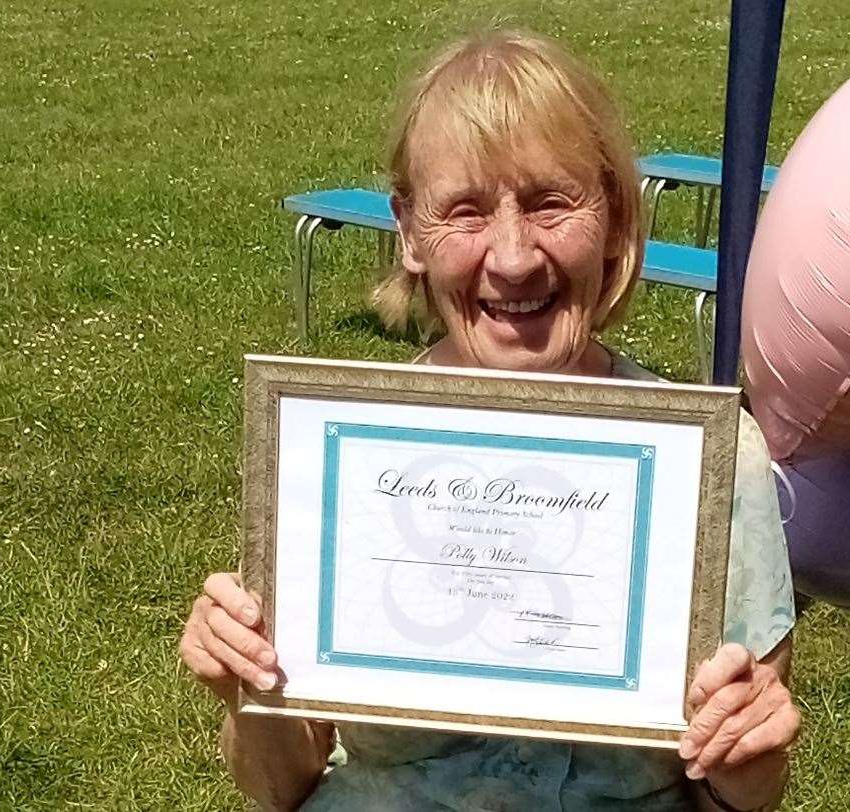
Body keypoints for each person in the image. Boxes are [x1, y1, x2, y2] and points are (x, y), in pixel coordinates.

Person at [179, 30, 800, 811]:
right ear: (408, 231)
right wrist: (246, 688)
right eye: (465, 212)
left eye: (550, 203)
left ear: (613, 217)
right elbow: (283, 787)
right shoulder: (341, 451)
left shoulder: (711, 464)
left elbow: (735, 799)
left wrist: (748, 757)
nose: (511, 258)